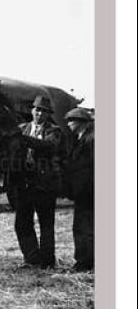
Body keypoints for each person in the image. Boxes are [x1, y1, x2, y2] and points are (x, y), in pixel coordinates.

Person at [7, 94, 64, 269]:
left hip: (45, 185)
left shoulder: (54, 131)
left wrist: (23, 139)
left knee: (46, 224)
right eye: (37, 109)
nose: (39, 113)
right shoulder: (22, 128)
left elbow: (49, 146)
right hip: (24, 184)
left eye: (43, 111)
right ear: (32, 110)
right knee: (22, 223)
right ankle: (32, 259)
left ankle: (47, 262)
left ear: (48, 114)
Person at [63, 106, 94, 272]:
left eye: (71, 121)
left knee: (83, 227)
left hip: (87, 191)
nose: (68, 124)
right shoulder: (84, 138)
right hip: (85, 191)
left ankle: (84, 263)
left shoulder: (90, 140)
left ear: (81, 123)